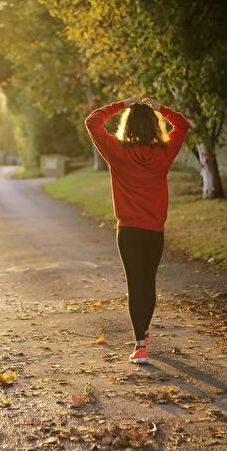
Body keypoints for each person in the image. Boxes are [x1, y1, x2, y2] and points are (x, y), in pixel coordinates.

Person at [84, 95, 191, 364]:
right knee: (149, 282)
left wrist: (122, 104)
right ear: (154, 126)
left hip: (129, 231)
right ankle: (143, 334)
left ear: (127, 126)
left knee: (136, 285)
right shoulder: (164, 153)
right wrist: (161, 108)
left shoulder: (117, 152)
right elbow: (183, 125)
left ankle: (140, 344)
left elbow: (93, 121)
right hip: (154, 230)